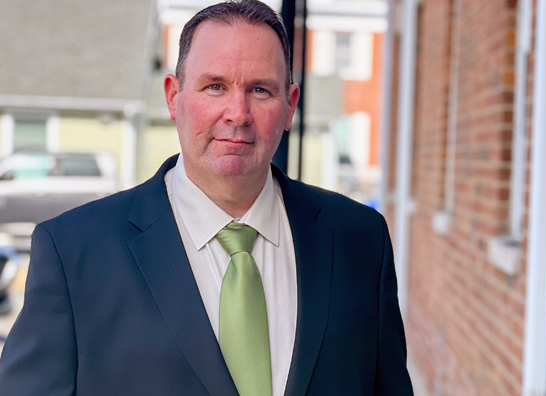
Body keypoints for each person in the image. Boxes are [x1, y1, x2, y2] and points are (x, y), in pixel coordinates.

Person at [0, 1, 413, 395]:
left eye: (261, 90)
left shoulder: (360, 241)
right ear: (173, 98)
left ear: (290, 107)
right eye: (215, 86)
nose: (237, 112)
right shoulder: (75, 252)